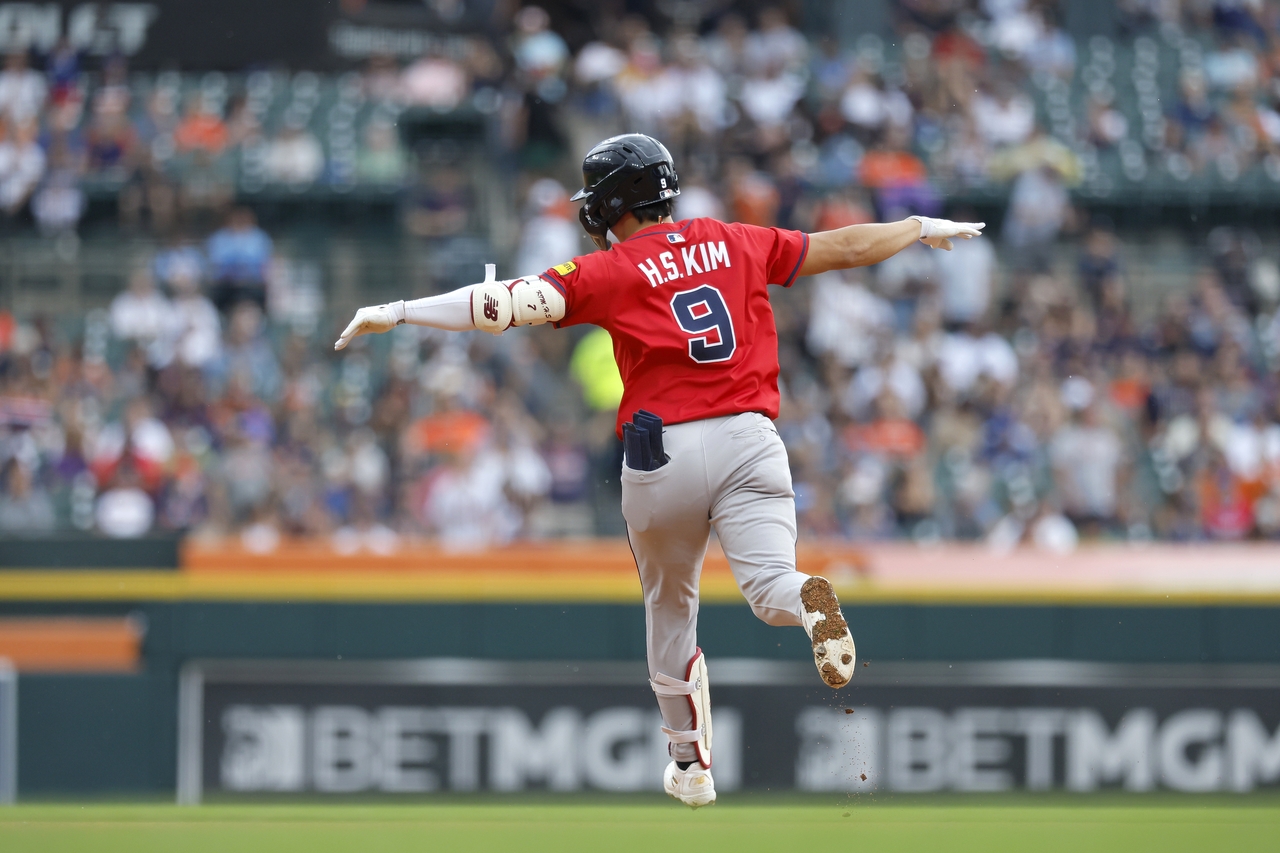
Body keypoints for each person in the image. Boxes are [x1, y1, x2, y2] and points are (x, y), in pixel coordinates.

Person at [334, 133, 983, 807]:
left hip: (663, 451)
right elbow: (843, 246)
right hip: (750, 438)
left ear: (613, 199)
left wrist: (403, 311)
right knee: (768, 585)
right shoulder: (737, 239)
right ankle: (806, 601)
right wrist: (917, 226)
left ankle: (691, 763)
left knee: (670, 607)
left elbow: (501, 305)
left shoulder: (612, 269)